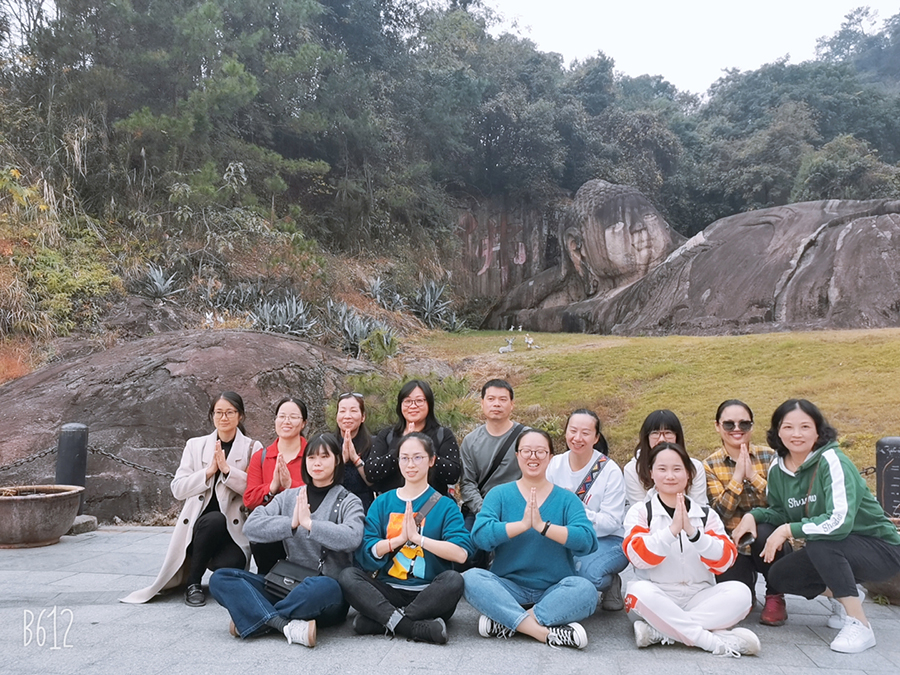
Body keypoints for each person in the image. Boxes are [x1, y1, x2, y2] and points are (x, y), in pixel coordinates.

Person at [732, 399, 900, 654]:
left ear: (818, 431)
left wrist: (787, 530)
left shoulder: (833, 461)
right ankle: (847, 595)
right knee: (780, 576)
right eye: (788, 427)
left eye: (805, 427)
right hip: (834, 550)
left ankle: (860, 624)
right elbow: (781, 511)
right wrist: (752, 516)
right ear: (778, 431)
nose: (796, 434)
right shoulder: (778, 467)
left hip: (880, 549)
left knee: (823, 542)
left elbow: (839, 523)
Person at [209, 433, 364, 647]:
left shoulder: (348, 500)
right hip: (286, 584)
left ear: (337, 460)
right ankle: (281, 624)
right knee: (221, 578)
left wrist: (310, 524)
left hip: (324, 592)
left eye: (324, 457)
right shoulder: (290, 497)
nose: (317, 463)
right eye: (311, 457)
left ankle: (254, 615)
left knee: (323, 587)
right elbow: (251, 527)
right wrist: (291, 523)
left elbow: (352, 537)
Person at [121, 391, 261, 606]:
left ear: (240, 415)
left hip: (232, 532)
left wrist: (227, 470)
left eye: (230, 412)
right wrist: (208, 472)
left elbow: (254, 490)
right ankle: (193, 582)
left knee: (231, 566)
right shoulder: (195, 445)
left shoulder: (253, 447)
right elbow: (178, 489)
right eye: (219, 412)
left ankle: (211, 566)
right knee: (214, 519)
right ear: (212, 415)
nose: (224, 418)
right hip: (198, 528)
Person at [464, 429, 599, 650]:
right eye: (526, 451)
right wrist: (522, 525)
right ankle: (541, 632)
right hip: (508, 588)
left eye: (540, 451)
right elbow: (480, 536)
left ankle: (509, 622)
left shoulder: (567, 499)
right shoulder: (499, 494)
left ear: (551, 457)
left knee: (585, 590)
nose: (533, 457)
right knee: (471, 578)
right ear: (517, 455)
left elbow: (587, 541)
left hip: (555, 589)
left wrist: (543, 527)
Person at [623, 442, 759, 658]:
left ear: (688, 474)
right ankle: (713, 642)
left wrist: (695, 534)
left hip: (699, 596)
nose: (670, 476)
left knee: (741, 593)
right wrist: (671, 531)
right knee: (638, 591)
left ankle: (661, 632)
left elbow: (725, 559)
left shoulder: (706, 515)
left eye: (677, 469)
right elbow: (638, 556)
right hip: (657, 596)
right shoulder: (641, 512)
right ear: (651, 473)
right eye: (662, 469)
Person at [338, 433, 472, 644]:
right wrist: (398, 540)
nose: (410, 464)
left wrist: (419, 539)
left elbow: (461, 554)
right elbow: (365, 552)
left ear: (431, 460)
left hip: (430, 593)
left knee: (454, 580)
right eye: (404, 458)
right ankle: (410, 626)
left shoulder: (445, 505)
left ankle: (382, 620)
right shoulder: (383, 502)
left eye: (418, 457)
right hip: (388, 591)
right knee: (347, 576)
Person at [703, 399, 785, 625]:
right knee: (739, 603)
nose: (737, 429)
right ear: (717, 426)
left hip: (767, 539)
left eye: (744, 424)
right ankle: (748, 589)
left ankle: (775, 594)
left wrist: (753, 477)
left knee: (765, 531)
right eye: (729, 424)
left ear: (752, 426)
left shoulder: (770, 457)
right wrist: (737, 478)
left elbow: (781, 504)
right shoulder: (709, 465)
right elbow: (719, 513)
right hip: (733, 541)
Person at [546, 409, 629, 611]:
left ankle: (609, 582)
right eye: (573, 431)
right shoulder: (555, 464)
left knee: (586, 576)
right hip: (564, 537)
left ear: (596, 437)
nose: (577, 438)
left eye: (585, 433)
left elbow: (612, 522)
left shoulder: (609, 470)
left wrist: (576, 508)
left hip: (606, 539)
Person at [243, 397, 309, 574]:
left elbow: (320, 494)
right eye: (282, 416)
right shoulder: (261, 456)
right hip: (271, 531)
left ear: (303, 423)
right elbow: (249, 499)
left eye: (293, 417)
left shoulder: (313, 455)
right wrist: (271, 487)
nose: (286, 421)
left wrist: (290, 485)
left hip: (303, 530)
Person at [365, 380, 461, 496]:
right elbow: (371, 472)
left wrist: (425, 451)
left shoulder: (442, 434)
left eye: (419, 401)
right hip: (393, 504)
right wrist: (401, 450)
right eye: (407, 401)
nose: (413, 406)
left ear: (429, 403)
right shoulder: (387, 435)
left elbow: (453, 475)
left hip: (432, 504)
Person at [459, 379, 524, 529]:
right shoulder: (471, 441)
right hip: (481, 509)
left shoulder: (527, 438)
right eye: (491, 399)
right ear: (482, 403)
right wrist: (485, 511)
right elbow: (467, 483)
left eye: (503, 399)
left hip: (519, 510)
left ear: (512, 404)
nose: (496, 404)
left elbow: (537, 477)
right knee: (465, 542)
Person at [623, 410, 707, 507]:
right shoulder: (632, 470)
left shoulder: (695, 467)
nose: (661, 439)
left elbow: (699, 507)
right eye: (655, 433)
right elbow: (638, 510)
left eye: (668, 433)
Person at [335, 392, 375, 512]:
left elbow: (373, 483)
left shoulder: (373, 443)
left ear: (363, 417)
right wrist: (342, 460)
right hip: (334, 505)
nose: (347, 416)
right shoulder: (328, 443)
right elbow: (323, 480)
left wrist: (356, 459)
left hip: (364, 506)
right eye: (342, 411)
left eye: (353, 411)